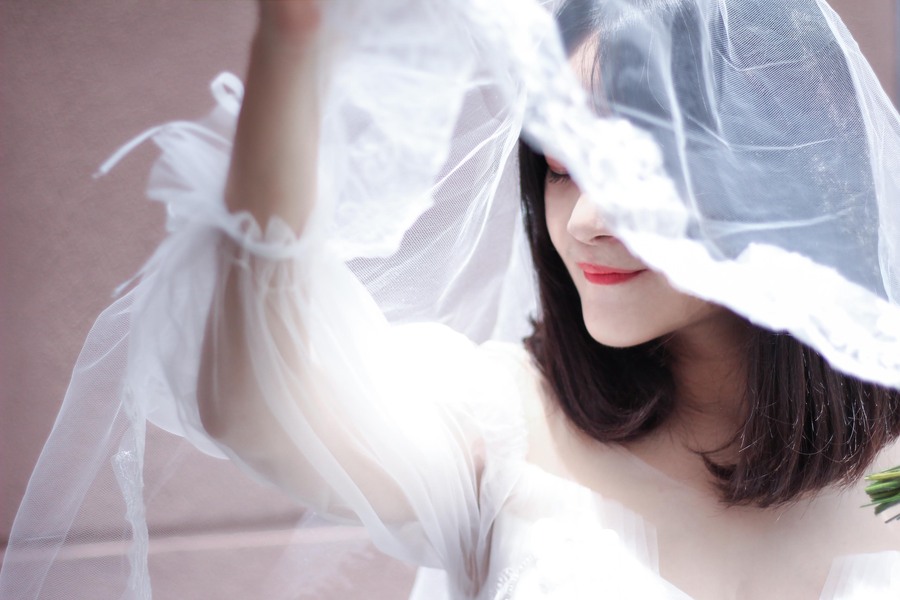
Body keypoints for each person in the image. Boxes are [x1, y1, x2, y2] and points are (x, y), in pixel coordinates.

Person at [3, 0, 899, 598]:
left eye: (637, 170)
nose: (585, 220)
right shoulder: (502, 423)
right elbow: (251, 396)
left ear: (784, 177)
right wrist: (291, 46)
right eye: (560, 168)